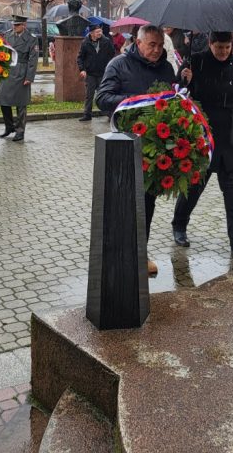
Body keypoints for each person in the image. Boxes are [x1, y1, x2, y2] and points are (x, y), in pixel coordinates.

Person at [96, 24, 177, 276]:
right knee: (122, 201)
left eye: (160, 45)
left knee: (146, 203)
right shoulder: (118, 65)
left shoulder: (166, 68)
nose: (156, 50)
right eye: (151, 45)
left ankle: (140, 253)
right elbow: (102, 98)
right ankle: (116, 253)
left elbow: (173, 100)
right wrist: (134, 100)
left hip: (153, 147)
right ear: (138, 42)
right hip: (123, 143)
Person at [172, 32, 233, 262]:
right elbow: (178, 91)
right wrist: (185, 79)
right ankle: (179, 225)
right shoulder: (196, 61)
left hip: (231, 139)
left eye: (227, 47)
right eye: (219, 46)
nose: (223, 51)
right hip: (204, 138)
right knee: (194, 187)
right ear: (210, 44)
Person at [0, 15, 39, 142]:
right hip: (8, 71)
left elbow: (33, 59)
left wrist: (29, 77)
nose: (14, 27)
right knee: (3, 101)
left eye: (17, 25)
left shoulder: (31, 39)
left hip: (22, 70)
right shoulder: (8, 35)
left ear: (24, 25)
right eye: (13, 25)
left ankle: (20, 131)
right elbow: (3, 53)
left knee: (21, 104)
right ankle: (9, 127)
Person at [76, 22, 116, 121]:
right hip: (90, 73)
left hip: (103, 73)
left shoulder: (106, 41)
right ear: (91, 33)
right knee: (89, 95)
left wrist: (109, 67)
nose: (100, 33)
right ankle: (87, 114)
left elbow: (112, 54)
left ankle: (109, 114)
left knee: (103, 95)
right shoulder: (85, 42)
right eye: (97, 31)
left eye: (100, 31)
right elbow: (80, 58)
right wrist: (82, 69)